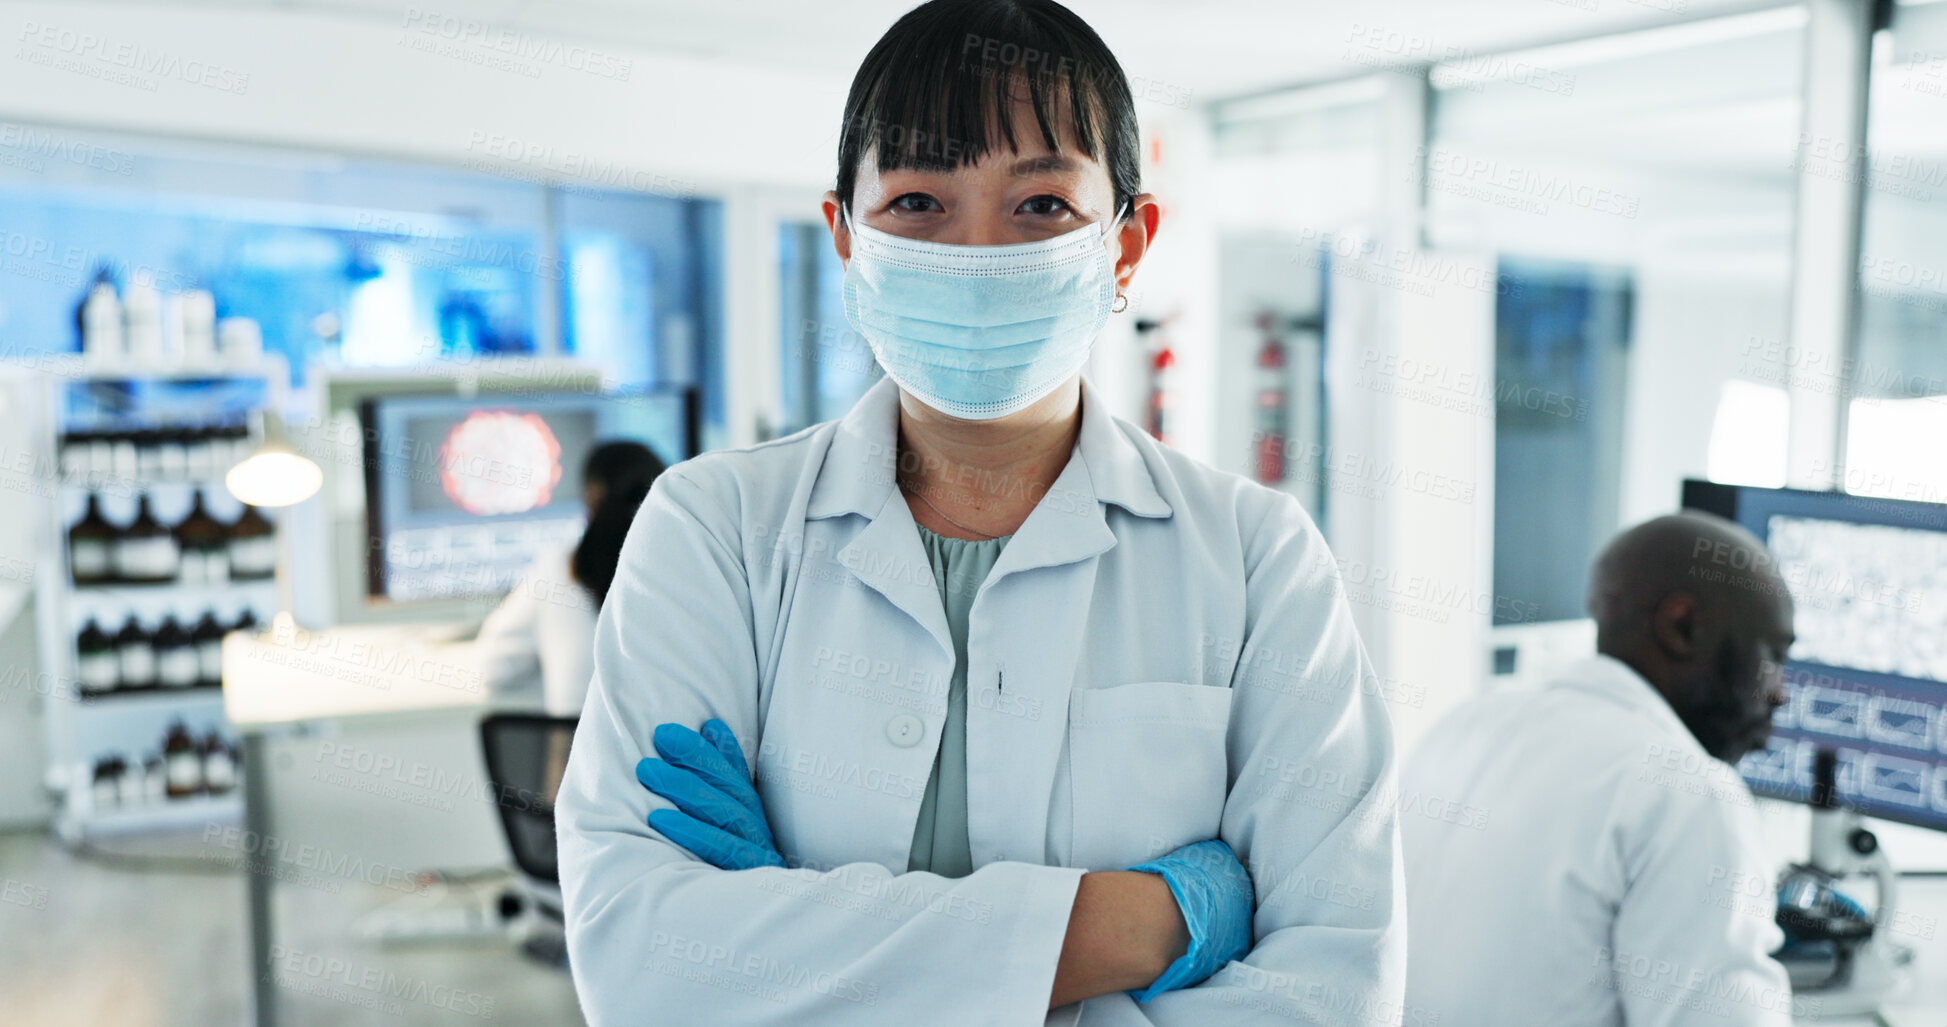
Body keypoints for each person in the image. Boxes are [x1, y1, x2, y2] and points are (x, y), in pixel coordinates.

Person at [554, 2, 1404, 1023]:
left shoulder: (1258, 558)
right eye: (917, 200)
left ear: (1128, 245)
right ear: (846, 238)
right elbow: (644, 965)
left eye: (1041, 204)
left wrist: (794, 954)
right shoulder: (715, 529)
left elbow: (1331, 989)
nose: (978, 251)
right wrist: (1141, 926)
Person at [1400, 512, 1798, 1025]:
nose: (1779, 692)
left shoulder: (1462, 725)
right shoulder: (1688, 796)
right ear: (1681, 627)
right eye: (1772, 656)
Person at [475, 440, 665, 717]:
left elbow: (492, 669)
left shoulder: (558, 567)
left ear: (591, 495)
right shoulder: (680, 570)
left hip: (572, 745)